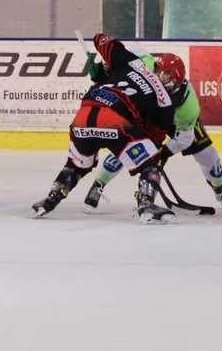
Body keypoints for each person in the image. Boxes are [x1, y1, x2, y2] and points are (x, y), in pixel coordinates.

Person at [31, 33, 177, 223]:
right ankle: (146, 204)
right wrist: (147, 158)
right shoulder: (164, 99)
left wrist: (100, 68)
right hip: (115, 122)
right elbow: (154, 138)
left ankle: (51, 199)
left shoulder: (131, 62)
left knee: (75, 165)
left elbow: (101, 39)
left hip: (82, 120)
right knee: (149, 164)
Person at [82, 52, 222, 212]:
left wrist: (163, 154)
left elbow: (184, 139)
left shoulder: (189, 106)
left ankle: (221, 191)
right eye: (162, 72)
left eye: (169, 75)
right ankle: (98, 184)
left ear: (178, 79)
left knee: (207, 153)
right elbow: (118, 59)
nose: (163, 78)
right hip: (149, 115)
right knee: (129, 147)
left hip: (175, 121)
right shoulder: (143, 64)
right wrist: (101, 70)